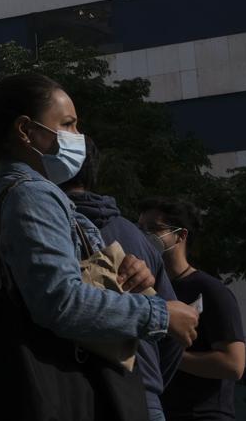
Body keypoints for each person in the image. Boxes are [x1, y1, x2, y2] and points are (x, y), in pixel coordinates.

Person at [0, 73, 200, 420]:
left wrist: (127, 275)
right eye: (68, 124)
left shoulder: (27, 196)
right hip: (48, 391)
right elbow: (60, 301)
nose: (77, 137)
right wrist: (161, 315)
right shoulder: (31, 195)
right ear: (26, 131)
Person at [62, 137, 184, 421]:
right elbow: (175, 333)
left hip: (79, 395)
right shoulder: (136, 237)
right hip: (145, 398)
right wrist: (149, 380)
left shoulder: (45, 229)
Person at [139, 198, 246, 421]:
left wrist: (169, 357)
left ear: (181, 235)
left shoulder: (210, 290)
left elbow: (233, 364)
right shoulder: (146, 289)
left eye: (154, 229)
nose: (145, 236)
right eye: (140, 229)